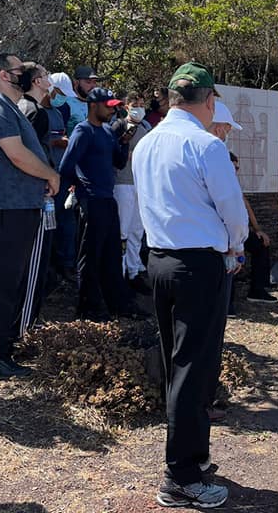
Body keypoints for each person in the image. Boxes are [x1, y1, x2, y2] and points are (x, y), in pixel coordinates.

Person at [133, 62, 247, 508]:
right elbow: (233, 212)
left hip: (160, 260)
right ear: (209, 100)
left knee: (179, 362)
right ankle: (180, 475)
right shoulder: (206, 145)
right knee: (194, 367)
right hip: (200, 264)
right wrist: (234, 248)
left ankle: (192, 458)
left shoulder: (146, 142)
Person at [0, 53, 60, 379]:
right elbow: (18, 155)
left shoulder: (7, 108)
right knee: (2, 283)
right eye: (20, 70)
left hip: (18, 206)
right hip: (5, 208)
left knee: (12, 282)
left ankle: (3, 352)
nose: (26, 74)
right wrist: (51, 175)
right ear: (5, 75)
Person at [58, 86, 133, 320]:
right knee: (90, 255)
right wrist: (78, 190)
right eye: (107, 107)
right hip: (90, 200)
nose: (112, 111)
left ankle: (117, 304)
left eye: (113, 107)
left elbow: (119, 163)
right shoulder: (83, 131)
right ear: (93, 106)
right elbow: (66, 166)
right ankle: (88, 307)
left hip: (108, 199)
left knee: (111, 254)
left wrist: (125, 141)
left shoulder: (108, 133)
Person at [16, 63, 56, 332]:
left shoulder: (20, 108)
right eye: (46, 76)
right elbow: (27, 152)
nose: (50, 80)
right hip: (35, 196)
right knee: (33, 265)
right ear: (37, 81)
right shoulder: (34, 111)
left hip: (24, 196)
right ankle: (26, 328)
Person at [229, 151, 277, 308]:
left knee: (261, 244)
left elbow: (245, 204)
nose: (236, 171)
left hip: (239, 231)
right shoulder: (215, 182)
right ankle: (227, 303)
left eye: (237, 168)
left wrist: (257, 229)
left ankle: (257, 290)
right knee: (228, 256)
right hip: (222, 233)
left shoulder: (233, 182)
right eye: (233, 167)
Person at [114, 93, 151, 285]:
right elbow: (114, 152)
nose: (139, 108)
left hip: (140, 184)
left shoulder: (145, 128)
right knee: (123, 230)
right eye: (135, 104)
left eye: (142, 104)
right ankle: (118, 274)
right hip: (123, 183)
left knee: (137, 230)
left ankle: (133, 270)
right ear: (126, 106)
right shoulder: (119, 125)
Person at [47, 72, 77, 282]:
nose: (62, 97)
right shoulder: (35, 111)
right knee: (49, 222)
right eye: (59, 93)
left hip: (64, 173)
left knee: (67, 220)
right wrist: (55, 141)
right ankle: (48, 266)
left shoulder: (60, 111)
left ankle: (66, 265)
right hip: (47, 175)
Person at [65, 64, 98, 135]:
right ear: (76, 82)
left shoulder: (95, 105)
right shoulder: (66, 103)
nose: (93, 86)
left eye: (94, 82)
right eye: (88, 82)